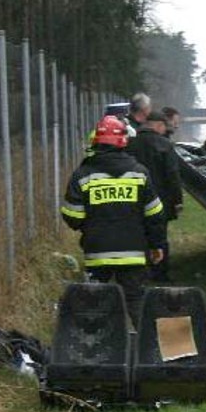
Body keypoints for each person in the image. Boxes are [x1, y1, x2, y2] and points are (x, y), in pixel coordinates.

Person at [61, 115, 165, 323]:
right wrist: (156, 245)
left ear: (96, 141)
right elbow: (155, 214)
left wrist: (91, 226)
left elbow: (72, 216)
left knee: (97, 302)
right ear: (123, 142)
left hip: (97, 252)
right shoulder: (139, 173)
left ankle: (99, 347)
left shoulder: (83, 175)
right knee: (136, 300)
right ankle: (147, 346)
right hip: (134, 253)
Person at [127, 110, 183, 283]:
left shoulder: (129, 144)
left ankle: (137, 272)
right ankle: (160, 274)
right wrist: (177, 200)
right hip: (160, 200)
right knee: (159, 237)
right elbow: (172, 175)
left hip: (133, 198)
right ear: (159, 125)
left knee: (137, 235)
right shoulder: (165, 145)